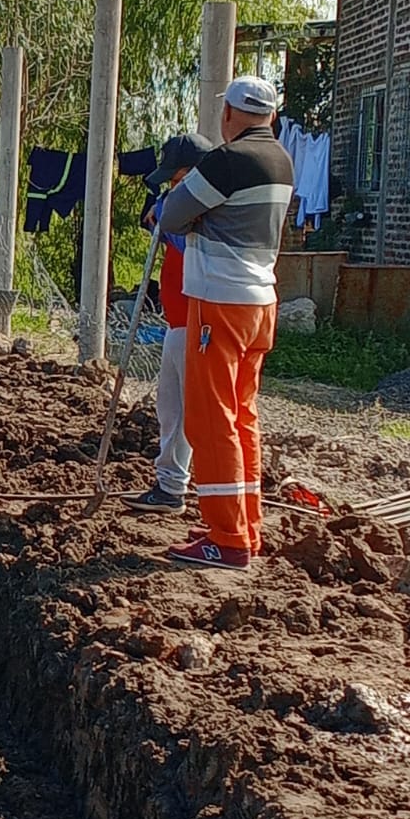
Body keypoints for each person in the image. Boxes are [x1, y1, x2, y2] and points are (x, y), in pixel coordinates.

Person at [158, 76, 294, 569]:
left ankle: (227, 538)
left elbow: (171, 214)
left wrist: (197, 218)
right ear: (271, 116)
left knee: (211, 418)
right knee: (241, 415)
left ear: (230, 114)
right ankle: (245, 526)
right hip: (261, 303)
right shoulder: (281, 160)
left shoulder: (226, 161)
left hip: (220, 301)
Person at [124, 132, 212, 515]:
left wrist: (165, 215)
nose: (172, 189)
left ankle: (200, 488)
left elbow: (191, 243)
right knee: (171, 408)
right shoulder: (183, 204)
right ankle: (170, 485)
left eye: (177, 181)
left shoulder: (209, 205)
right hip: (178, 319)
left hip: (197, 320)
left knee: (191, 412)